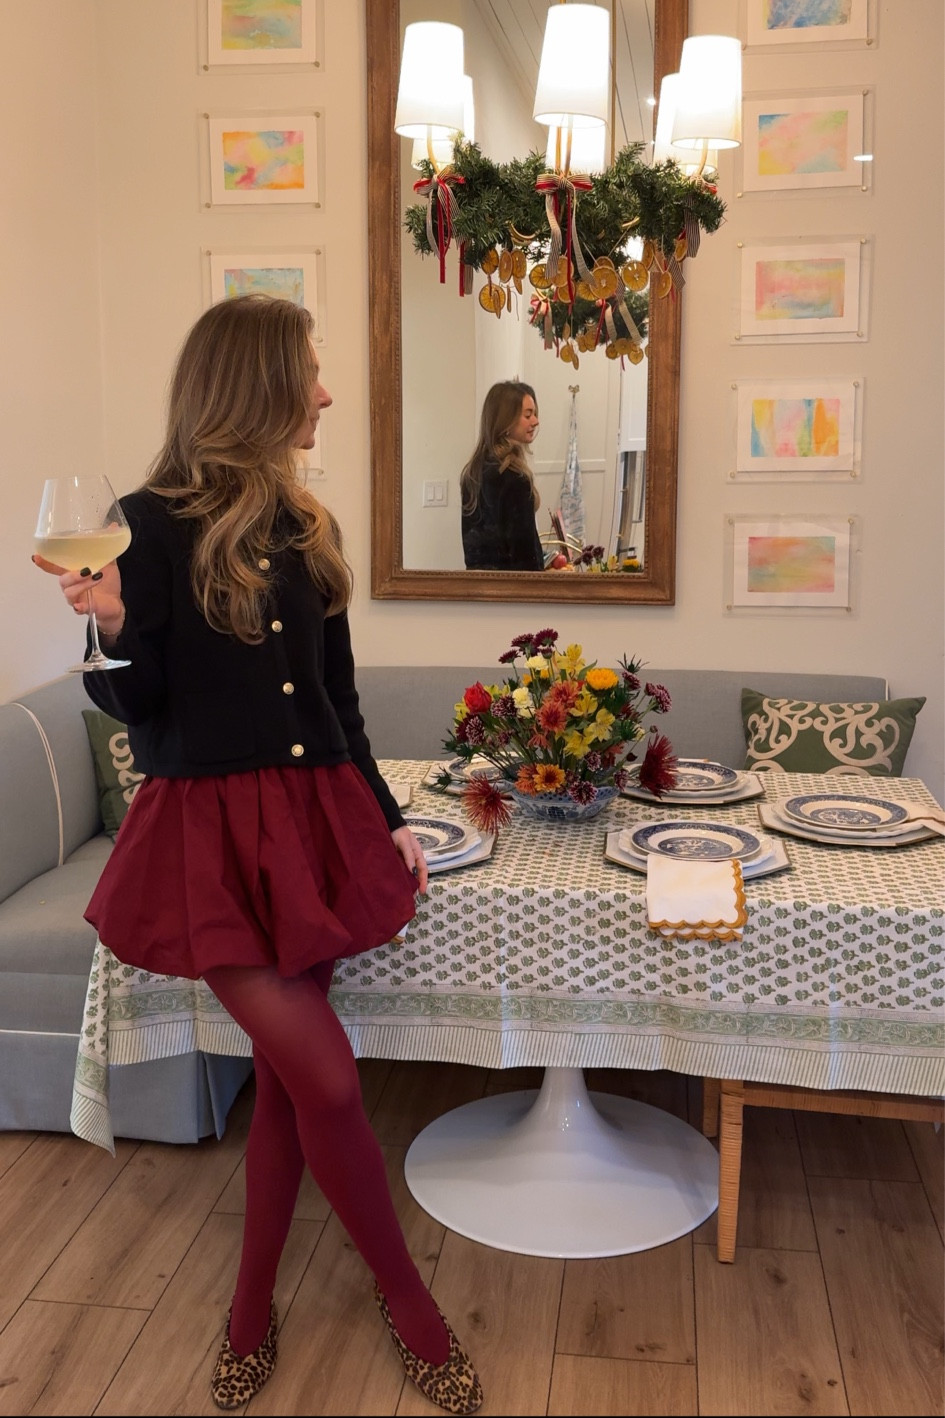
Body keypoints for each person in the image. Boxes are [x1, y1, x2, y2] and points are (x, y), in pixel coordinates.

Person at [32, 295, 483, 1417]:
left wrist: (383, 815)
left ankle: (247, 1308)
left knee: (287, 1086)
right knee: (324, 1075)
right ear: (256, 386)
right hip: (211, 839)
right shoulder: (141, 524)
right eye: (310, 372)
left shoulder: (305, 524)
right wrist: (108, 624)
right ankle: (407, 1301)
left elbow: (337, 699)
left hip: (317, 822)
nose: (325, 393)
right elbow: (139, 706)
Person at [460, 380, 545, 570]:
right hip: (514, 585)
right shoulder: (515, 478)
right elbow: (525, 556)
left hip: (479, 582)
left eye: (535, 414)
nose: (535, 421)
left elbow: (472, 549)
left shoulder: (472, 473)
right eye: (528, 415)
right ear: (506, 421)